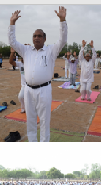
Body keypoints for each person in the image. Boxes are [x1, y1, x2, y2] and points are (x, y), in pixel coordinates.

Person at [8, 7, 68, 142]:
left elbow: (63, 40)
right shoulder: (26, 50)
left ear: (44, 38)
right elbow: (12, 42)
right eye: (34, 36)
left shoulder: (51, 50)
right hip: (28, 90)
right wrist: (12, 23)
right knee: (30, 120)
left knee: (45, 121)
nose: (36, 38)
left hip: (44, 90)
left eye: (39, 36)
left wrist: (62, 20)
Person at [9, 47, 26, 113]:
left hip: (31, 84)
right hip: (24, 85)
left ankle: (29, 108)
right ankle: (23, 107)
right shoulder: (20, 64)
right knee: (20, 97)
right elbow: (11, 62)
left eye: (23, 57)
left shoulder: (30, 64)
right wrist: (12, 53)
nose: (21, 59)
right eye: (21, 57)